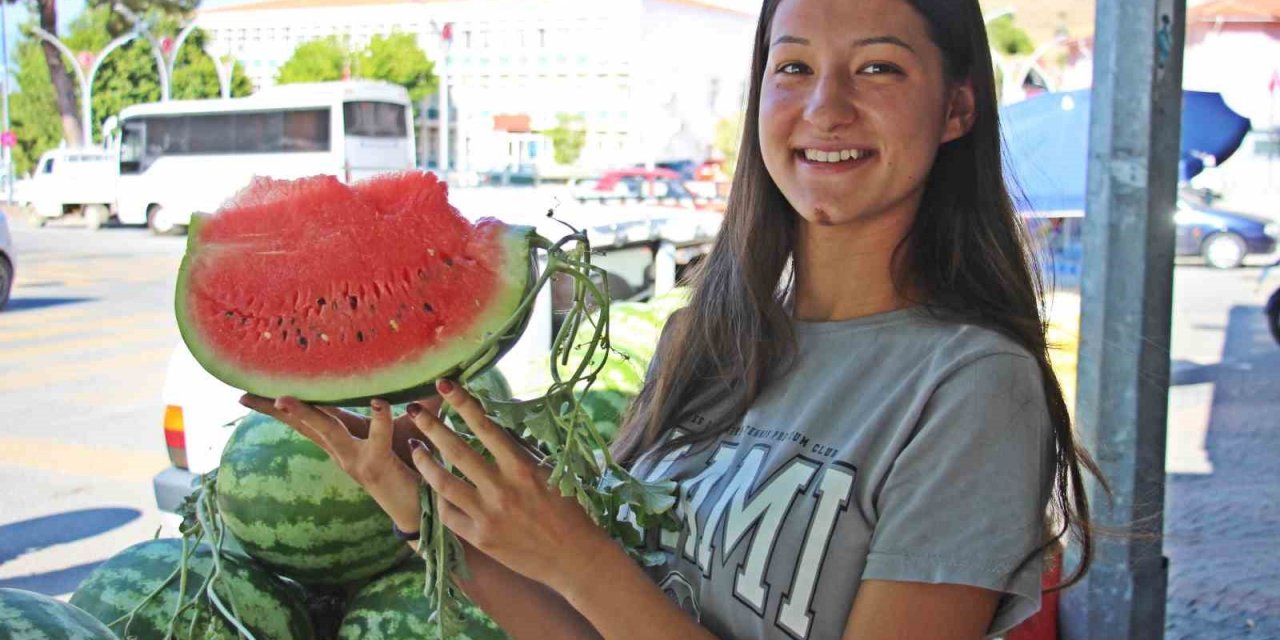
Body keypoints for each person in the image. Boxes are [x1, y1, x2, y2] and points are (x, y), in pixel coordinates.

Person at [242, 0, 1102, 637]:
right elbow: (587, 627)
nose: (823, 106)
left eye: (878, 68)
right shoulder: (707, 340)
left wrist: (581, 555)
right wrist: (415, 507)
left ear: (956, 108)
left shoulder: (973, 387)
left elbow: (592, 581)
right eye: (792, 66)